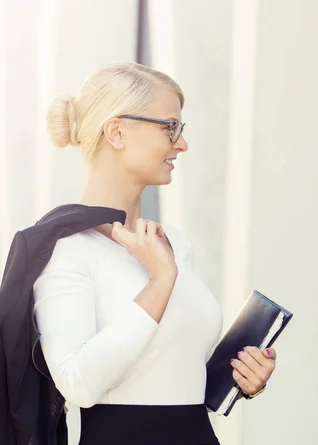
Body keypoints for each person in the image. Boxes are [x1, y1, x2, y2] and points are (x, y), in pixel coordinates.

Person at [32, 62, 276, 445]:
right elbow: (78, 384)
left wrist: (242, 377)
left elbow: (171, 370)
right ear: (117, 132)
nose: (181, 143)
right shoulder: (67, 249)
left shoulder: (174, 243)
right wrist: (160, 282)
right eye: (170, 127)